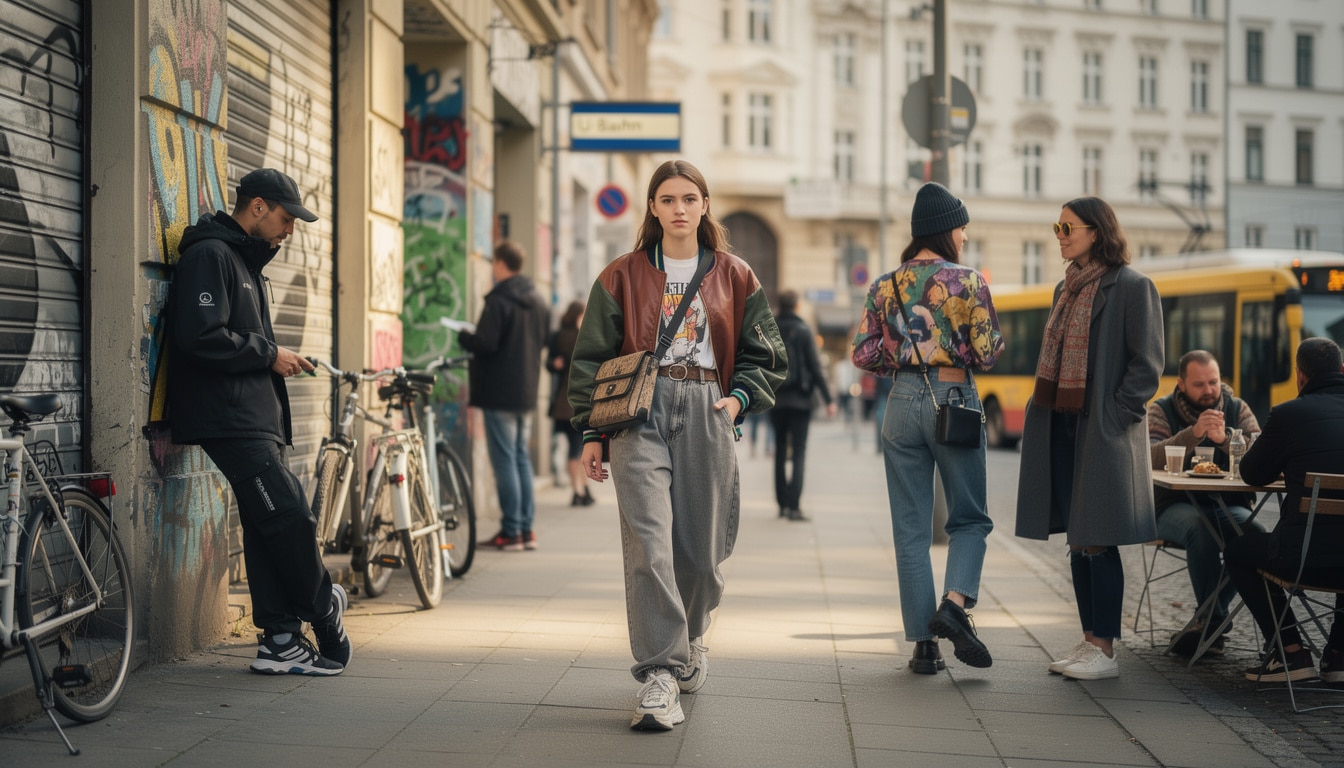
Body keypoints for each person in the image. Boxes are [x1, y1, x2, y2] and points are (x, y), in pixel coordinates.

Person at [567, 159, 786, 731]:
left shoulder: (737, 276)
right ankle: (661, 673)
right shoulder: (621, 274)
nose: (680, 208)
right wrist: (592, 431)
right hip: (638, 414)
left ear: (705, 205)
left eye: (690, 198)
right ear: (653, 208)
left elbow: (769, 355)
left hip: (709, 407)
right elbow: (592, 356)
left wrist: (738, 399)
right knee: (649, 545)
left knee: (702, 555)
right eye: (668, 199)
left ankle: (692, 638)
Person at [167, 168, 350, 676]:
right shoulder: (211, 256)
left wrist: (275, 356)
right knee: (290, 516)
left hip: (249, 415)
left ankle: (281, 640)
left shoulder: (244, 260)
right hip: (228, 417)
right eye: (287, 218)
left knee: (267, 523)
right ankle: (322, 609)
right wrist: (270, 354)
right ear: (259, 207)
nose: (290, 230)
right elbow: (199, 336)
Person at [851, 182, 1004, 675]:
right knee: (970, 518)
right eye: (961, 228)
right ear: (946, 229)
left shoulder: (884, 284)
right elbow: (987, 351)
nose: (963, 236)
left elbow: (862, 352)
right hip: (954, 398)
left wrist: (901, 361)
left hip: (900, 402)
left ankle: (923, 646)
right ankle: (955, 608)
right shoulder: (967, 281)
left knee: (911, 529)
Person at [1015, 197, 1164, 681]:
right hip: (1063, 424)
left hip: (1101, 430)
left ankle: (1106, 648)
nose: (1059, 234)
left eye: (1068, 226)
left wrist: (1115, 416)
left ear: (1096, 232)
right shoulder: (1066, 285)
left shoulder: (1133, 287)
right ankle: (1088, 640)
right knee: (1079, 540)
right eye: (1057, 225)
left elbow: (1148, 366)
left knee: (1098, 539)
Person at [1227, 337, 1344, 683]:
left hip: (1300, 559)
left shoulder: (1288, 414)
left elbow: (1251, 473)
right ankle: (1338, 657)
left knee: (1236, 551)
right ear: (1340, 370)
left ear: (1299, 376)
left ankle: (1291, 652)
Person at [1147, 350, 1263, 656]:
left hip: (1228, 503)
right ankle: (1215, 621)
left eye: (1213, 381)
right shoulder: (1161, 409)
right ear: (1182, 385)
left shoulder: (1237, 408)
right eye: (1199, 384)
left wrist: (1227, 440)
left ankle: (1207, 622)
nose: (1209, 390)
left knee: (1255, 535)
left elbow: (1263, 452)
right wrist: (1194, 434)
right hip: (1173, 506)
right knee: (1200, 530)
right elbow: (1148, 455)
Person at [462, 240, 551, 552]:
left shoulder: (499, 300)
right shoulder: (538, 300)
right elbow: (543, 341)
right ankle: (526, 530)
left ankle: (511, 531)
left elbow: (485, 343)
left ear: (500, 264)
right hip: (526, 391)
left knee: (505, 462)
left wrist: (465, 337)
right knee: (520, 458)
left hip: (499, 392)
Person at [770, 289, 837, 521]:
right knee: (798, 452)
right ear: (797, 307)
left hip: (776, 400)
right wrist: (829, 400)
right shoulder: (804, 331)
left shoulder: (770, 330)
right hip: (801, 401)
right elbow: (816, 369)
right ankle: (794, 507)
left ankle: (781, 504)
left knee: (779, 450)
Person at [546, 300, 593, 506]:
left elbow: (550, 362)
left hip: (561, 402)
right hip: (577, 401)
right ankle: (579, 491)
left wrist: (555, 364)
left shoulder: (557, 336)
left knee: (576, 448)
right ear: (578, 315)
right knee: (578, 448)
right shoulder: (581, 337)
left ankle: (581, 489)